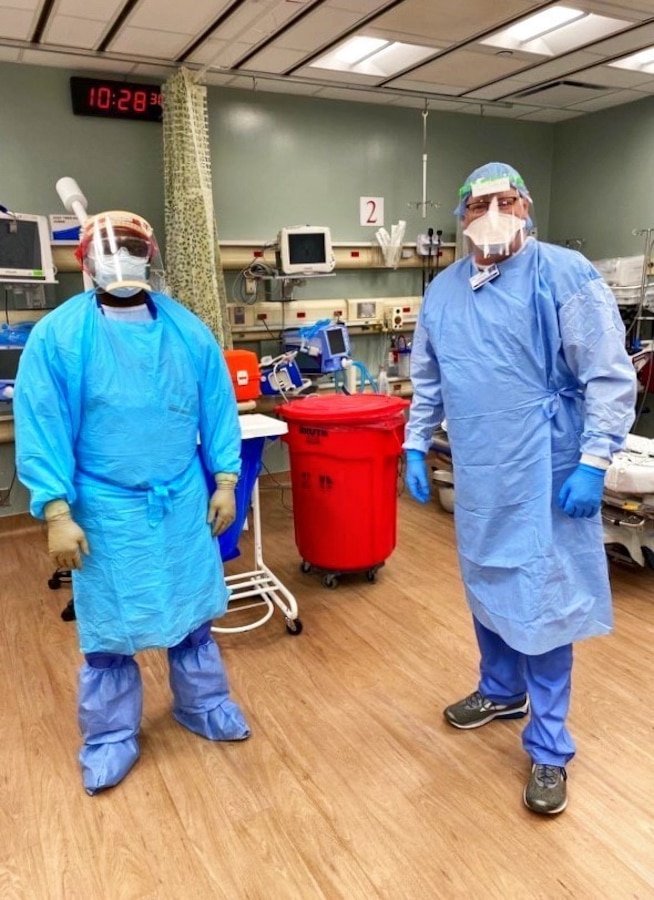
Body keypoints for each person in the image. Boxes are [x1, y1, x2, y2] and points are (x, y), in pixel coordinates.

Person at [403, 162, 637, 815]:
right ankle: (501, 689)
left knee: (544, 601)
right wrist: (416, 442)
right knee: (488, 581)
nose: (495, 214)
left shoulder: (563, 274)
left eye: (507, 201)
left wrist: (594, 461)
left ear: (527, 206)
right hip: (480, 467)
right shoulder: (445, 291)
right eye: (481, 205)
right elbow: (429, 377)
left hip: (547, 464)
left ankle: (549, 748)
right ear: (462, 216)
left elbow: (609, 377)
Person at [14, 210, 250, 795]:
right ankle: (111, 735)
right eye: (111, 247)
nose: (123, 257)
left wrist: (224, 480)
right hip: (106, 508)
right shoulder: (59, 337)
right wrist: (57, 513)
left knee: (192, 614)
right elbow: (42, 423)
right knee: (110, 631)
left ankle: (203, 705)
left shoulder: (186, 329)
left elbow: (217, 406)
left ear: (152, 253)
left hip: (181, 501)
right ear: (84, 260)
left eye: (133, 246)